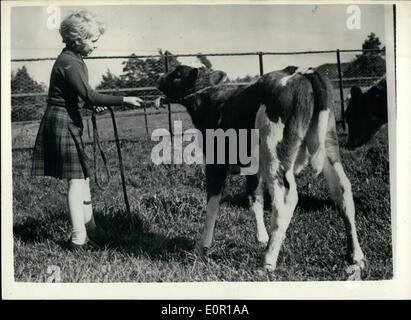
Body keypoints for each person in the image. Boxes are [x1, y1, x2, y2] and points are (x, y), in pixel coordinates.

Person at [31, 10, 142, 250]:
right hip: (62, 121)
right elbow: (89, 94)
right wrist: (124, 98)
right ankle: (78, 238)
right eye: (93, 40)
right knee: (76, 181)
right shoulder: (69, 62)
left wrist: (91, 103)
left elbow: (82, 96)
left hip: (68, 118)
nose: (96, 45)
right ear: (78, 38)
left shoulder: (73, 59)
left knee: (83, 179)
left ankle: (91, 230)